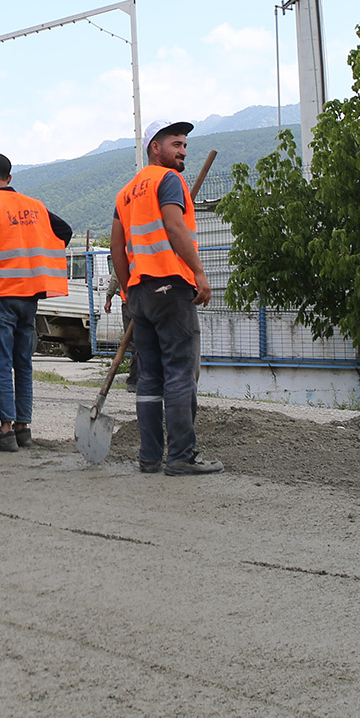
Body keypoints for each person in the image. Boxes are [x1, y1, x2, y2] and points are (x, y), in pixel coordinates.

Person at [108, 120, 218, 475]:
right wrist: (198, 273)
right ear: (155, 147)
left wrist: (127, 291)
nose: (183, 151)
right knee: (180, 372)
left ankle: (150, 456)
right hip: (171, 287)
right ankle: (182, 456)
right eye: (176, 144)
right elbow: (174, 227)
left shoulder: (125, 193)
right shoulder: (169, 180)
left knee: (150, 378)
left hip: (141, 294)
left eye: (185, 145)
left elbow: (116, 248)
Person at [0, 154, 73, 452]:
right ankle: (23, 428)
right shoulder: (35, 206)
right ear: (10, 177)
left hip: (3, 296)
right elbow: (65, 232)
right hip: (30, 297)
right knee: (24, 363)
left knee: (2, 363)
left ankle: (5, 430)